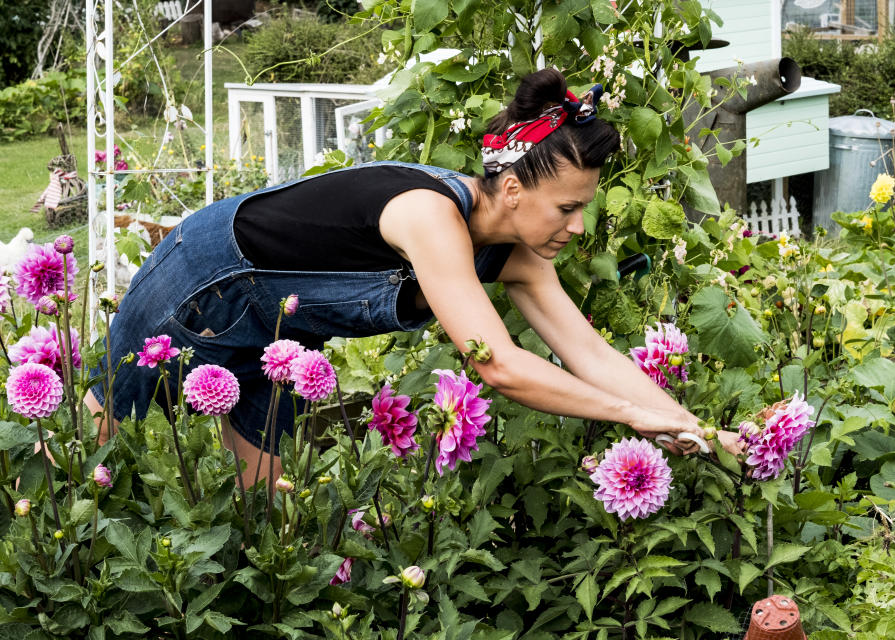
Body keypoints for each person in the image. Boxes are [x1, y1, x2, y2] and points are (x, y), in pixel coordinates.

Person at [85, 69, 745, 487]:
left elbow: (592, 354)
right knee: (94, 442)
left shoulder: (514, 253)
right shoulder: (432, 216)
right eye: (568, 207)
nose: (577, 227)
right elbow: (499, 365)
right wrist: (634, 417)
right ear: (512, 188)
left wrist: (700, 431)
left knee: (267, 502)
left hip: (283, 329)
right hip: (209, 278)